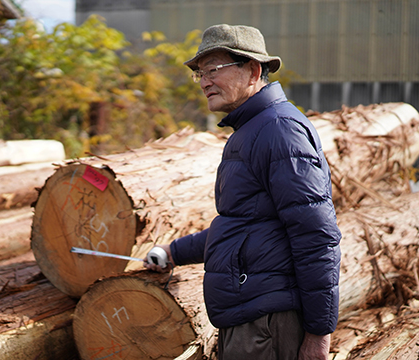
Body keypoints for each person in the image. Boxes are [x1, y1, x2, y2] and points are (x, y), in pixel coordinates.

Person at [144, 24, 341, 360]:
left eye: (213, 70)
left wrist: (319, 332)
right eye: (200, 73)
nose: (204, 81)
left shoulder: (278, 130)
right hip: (254, 319)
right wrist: (174, 251)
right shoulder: (254, 130)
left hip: (268, 326)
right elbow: (243, 227)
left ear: (252, 70)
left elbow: (316, 235)